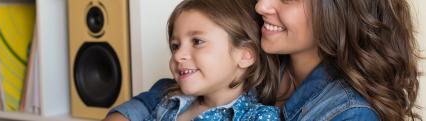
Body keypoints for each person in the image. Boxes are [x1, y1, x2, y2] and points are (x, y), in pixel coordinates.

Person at [104, 0, 421, 121]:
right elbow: (172, 95)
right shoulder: (260, 59)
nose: (261, 5)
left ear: (337, 11)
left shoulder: (348, 114)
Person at [145, 0, 280, 120]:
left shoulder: (259, 117)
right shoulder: (169, 103)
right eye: (175, 46)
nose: (178, 55)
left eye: (197, 41)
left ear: (245, 55)